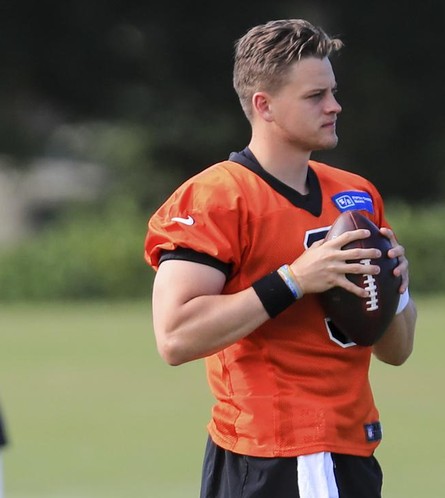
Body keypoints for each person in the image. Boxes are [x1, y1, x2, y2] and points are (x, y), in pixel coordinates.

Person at [144, 18, 417, 498]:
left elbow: (396, 351)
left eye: (333, 91)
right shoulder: (216, 196)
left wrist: (395, 291)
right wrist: (292, 280)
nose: (334, 106)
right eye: (315, 96)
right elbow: (175, 336)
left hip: (352, 448)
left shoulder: (356, 194)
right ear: (263, 105)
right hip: (277, 453)